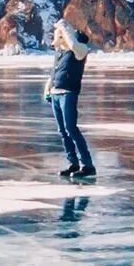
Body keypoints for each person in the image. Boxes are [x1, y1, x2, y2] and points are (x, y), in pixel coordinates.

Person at [45, 20, 96, 179]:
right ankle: (73, 163)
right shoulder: (61, 53)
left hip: (68, 93)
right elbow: (53, 73)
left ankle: (87, 165)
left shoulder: (80, 50)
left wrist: (65, 28)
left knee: (71, 129)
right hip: (56, 94)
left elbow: (73, 45)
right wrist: (47, 90)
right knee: (63, 131)